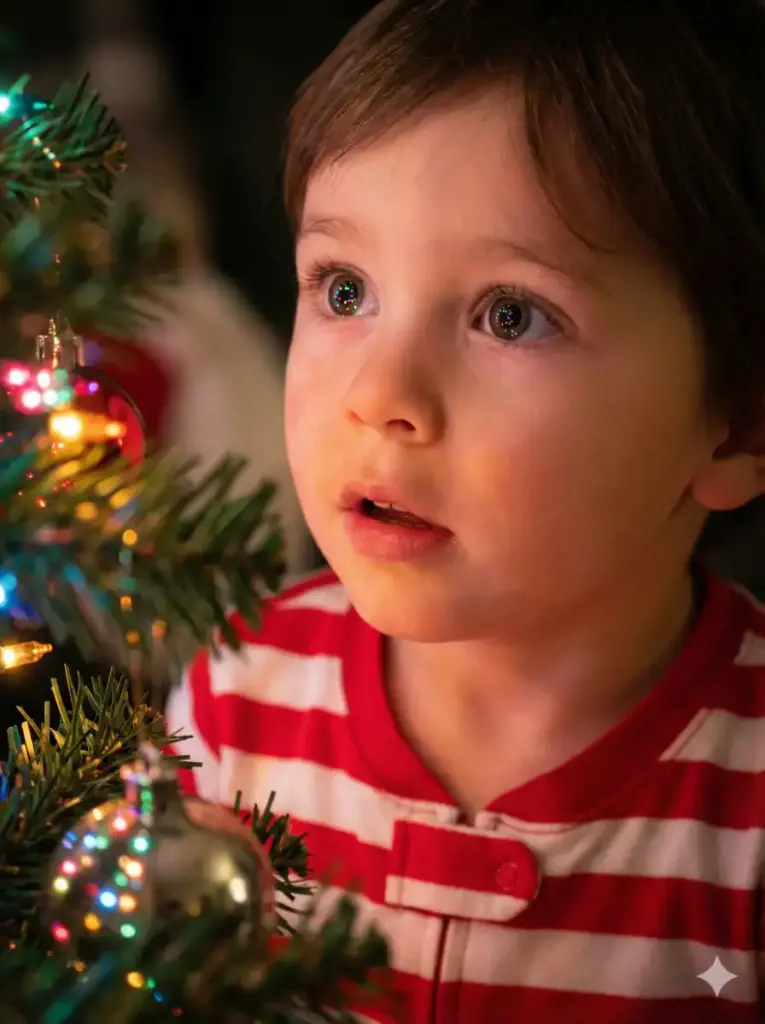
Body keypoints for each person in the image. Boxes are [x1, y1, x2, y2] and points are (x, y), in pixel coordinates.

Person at [164, 1, 765, 1019]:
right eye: (344, 289)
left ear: (736, 429)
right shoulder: (238, 700)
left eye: (511, 314)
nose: (380, 393)